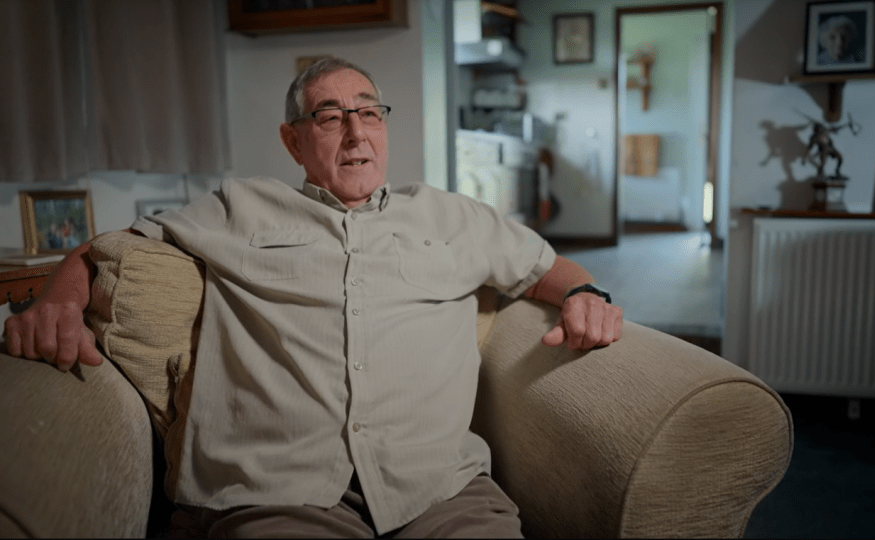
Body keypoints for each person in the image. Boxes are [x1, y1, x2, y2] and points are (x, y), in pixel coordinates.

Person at [3, 55, 623, 538]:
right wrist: (56, 304)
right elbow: (106, 248)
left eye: (369, 112)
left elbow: (547, 266)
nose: (356, 132)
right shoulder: (238, 208)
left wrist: (584, 293)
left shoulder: (450, 215)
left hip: (439, 489)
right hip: (282, 493)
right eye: (329, 116)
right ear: (293, 141)